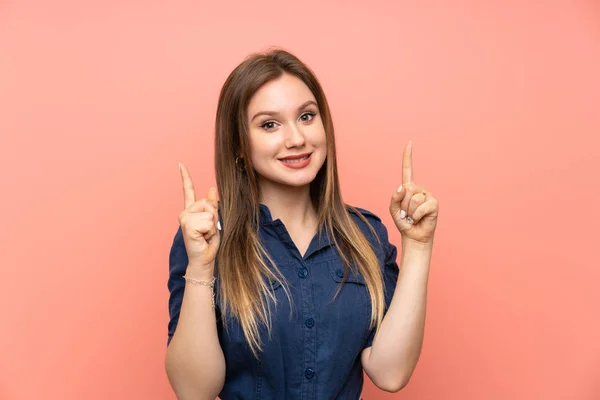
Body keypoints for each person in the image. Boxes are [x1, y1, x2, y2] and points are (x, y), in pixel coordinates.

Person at [165, 49, 439, 400]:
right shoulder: (206, 238)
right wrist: (202, 265)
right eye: (269, 124)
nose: (296, 138)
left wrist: (418, 246)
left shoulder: (365, 236)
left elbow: (390, 372)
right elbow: (193, 391)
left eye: (307, 117)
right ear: (239, 146)